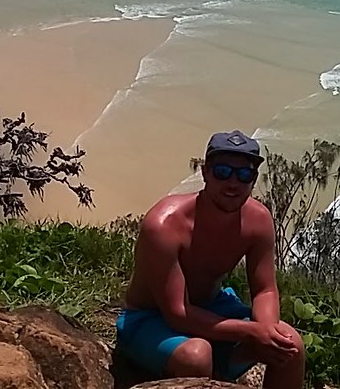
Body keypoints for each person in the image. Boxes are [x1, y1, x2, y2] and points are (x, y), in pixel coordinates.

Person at [116, 130, 305, 388]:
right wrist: (252, 331)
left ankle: (221, 369)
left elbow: (265, 290)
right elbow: (178, 314)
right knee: (196, 356)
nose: (233, 183)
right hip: (151, 318)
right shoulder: (165, 225)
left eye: (244, 174)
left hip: (213, 308)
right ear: (205, 173)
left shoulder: (258, 221)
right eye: (223, 172)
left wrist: (268, 332)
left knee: (289, 345)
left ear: (254, 179)